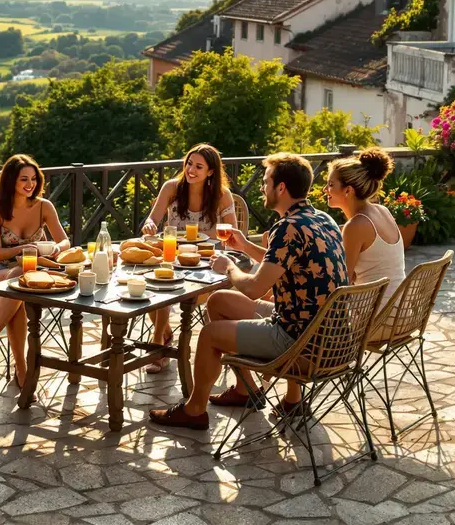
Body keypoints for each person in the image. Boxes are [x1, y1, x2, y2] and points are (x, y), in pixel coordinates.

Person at [149, 153, 348, 430]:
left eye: (265, 182)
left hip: (300, 343)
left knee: (209, 336)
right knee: (219, 301)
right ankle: (246, 391)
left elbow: (254, 289)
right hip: (333, 337)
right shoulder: (321, 219)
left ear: (281, 188)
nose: (262, 187)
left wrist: (229, 267)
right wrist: (244, 247)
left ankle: (194, 410)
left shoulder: (287, 228)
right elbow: (285, 262)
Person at [0, 154, 70, 389]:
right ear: (10, 180)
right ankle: (19, 368)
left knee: (18, 291)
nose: (30, 184)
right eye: (24, 179)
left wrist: (55, 247)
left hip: (32, 272)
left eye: (34, 179)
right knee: (17, 279)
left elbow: (65, 241)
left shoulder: (44, 206)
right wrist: (23, 249)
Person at [139, 144, 237, 374]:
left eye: (198, 166)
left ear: (211, 172)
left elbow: (230, 231)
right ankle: (163, 339)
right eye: (189, 163)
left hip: (206, 262)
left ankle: (158, 347)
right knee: (154, 288)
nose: (191, 170)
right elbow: (151, 220)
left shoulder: (221, 195)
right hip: (173, 257)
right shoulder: (171, 188)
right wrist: (150, 225)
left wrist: (200, 236)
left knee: (162, 292)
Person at [324, 148, 406, 307]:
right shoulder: (383, 211)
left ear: (348, 190)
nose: (325, 189)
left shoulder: (356, 225)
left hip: (374, 322)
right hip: (401, 314)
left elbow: (342, 281)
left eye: (331, 184)